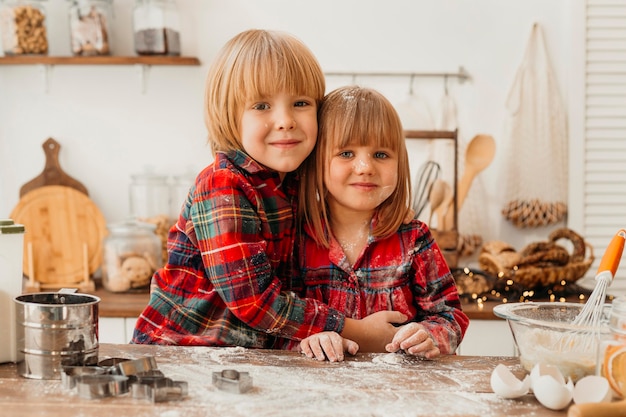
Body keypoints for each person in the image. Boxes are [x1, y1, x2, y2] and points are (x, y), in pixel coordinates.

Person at [131, 30, 406, 351]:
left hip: (244, 359)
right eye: (262, 106)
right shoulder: (223, 185)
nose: (285, 120)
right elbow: (255, 301)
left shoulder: (295, 181)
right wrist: (354, 329)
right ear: (230, 117)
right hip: (179, 352)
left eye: (300, 103)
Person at [294, 86, 469, 361]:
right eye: (346, 153)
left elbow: (450, 317)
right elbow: (278, 322)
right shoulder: (297, 239)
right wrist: (311, 336)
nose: (365, 167)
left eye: (381, 155)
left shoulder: (415, 239)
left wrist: (427, 335)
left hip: (401, 393)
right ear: (317, 162)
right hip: (320, 394)